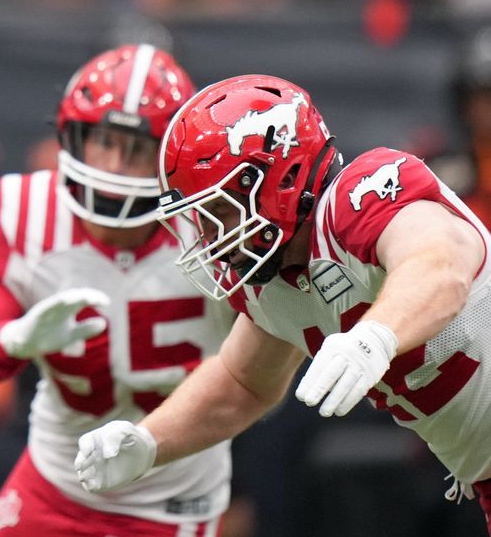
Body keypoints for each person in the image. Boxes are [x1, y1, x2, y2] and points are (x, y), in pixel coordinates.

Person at [74, 74, 491, 531]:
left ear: (280, 176)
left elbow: (441, 265)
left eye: (223, 211)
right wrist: (150, 442)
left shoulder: (360, 197)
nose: (212, 236)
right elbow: (241, 383)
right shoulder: (274, 283)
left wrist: (375, 336)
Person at [0, 44, 237, 536]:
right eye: (103, 140)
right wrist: (15, 340)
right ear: (71, 138)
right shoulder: (17, 212)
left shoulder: (218, 225)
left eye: (138, 148)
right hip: (53, 479)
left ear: (173, 155)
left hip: (168, 499)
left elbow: (259, 369)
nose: (116, 167)